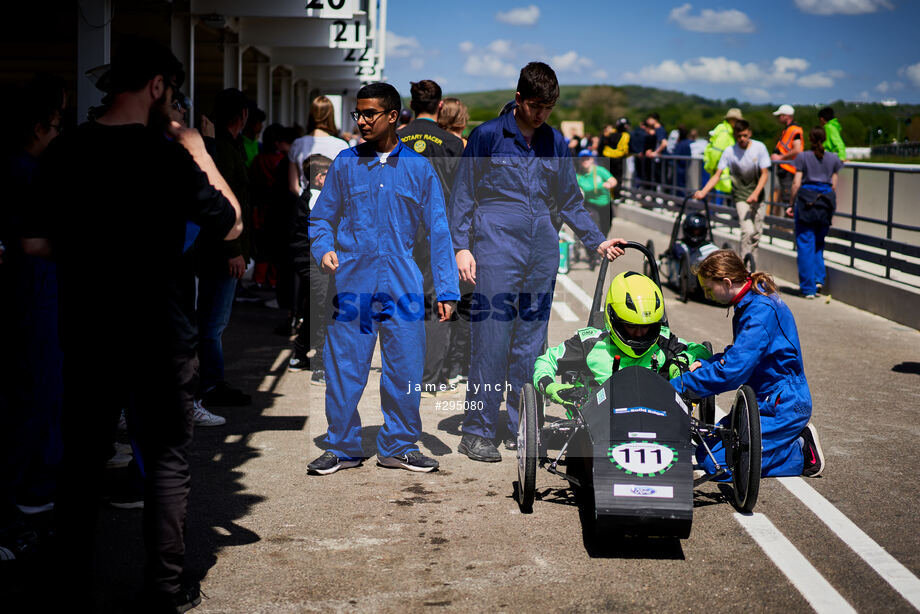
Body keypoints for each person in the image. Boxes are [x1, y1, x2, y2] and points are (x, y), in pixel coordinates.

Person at [22, 37, 242, 610]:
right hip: (161, 333)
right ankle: (165, 590)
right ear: (157, 86)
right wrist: (197, 148)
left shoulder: (65, 152)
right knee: (167, 459)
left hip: (91, 329)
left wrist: (89, 253)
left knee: (82, 457)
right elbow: (233, 224)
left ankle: (70, 583)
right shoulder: (168, 156)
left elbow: (35, 241)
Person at [450, 62, 625, 462]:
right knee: (491, 340)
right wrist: (461, 246)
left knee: (531, 345)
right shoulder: (487, 136)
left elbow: (569, 200)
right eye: (535, 106)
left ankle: (522, 426)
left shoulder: (555, 142)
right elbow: (462, 195)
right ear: (518, 99)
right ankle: (476, 430)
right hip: (495, 245)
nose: (541, 114)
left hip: (541, 249)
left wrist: (596, 240)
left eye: (548, 107)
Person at [306, 82, 459, 474]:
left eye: (369, 113)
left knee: (405, 368)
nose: (361, 121)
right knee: (344, 367)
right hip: (352, 283)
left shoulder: (419, 169)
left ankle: (400, 445)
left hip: (403, 283)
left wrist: (446, 288)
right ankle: (341, 446)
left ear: (393, 116)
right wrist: (323, 247)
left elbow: (440, 231)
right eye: (358, 113)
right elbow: (322, 216)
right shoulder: (344, 163)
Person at [670, 250, 825, 479]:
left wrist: (679, 385)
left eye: (709, 289)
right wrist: (707, 364)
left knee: (719, 467)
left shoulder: (759, 311)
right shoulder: (750, 302)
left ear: (726, 282)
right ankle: (780, 442)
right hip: (764, 398)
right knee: (705, 452)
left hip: (782, 404)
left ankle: (801, 451)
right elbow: (739, 355)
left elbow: (733, 371)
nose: (706, 295)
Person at [534, 271, 711, 409]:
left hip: (657, 416)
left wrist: (679, 362)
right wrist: (551, 387)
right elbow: (546, 361)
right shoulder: (589, 343)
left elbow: (701, 350)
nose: (640, 333)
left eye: (646, 327)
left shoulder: (663, 340)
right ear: (614, 319)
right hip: (598, 421)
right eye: (632, 327)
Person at [399, 80, 465, 397]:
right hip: (440, 229)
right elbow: (463, 194)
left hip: (401, 228)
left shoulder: (395, 138)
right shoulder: (452, 143)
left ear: (411, 106)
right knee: (439, 300)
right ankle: (431, 377)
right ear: (440, 106)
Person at [196, 88, 252, 409]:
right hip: (222, 249)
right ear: (242, 115)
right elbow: (220, 200)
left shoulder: (226, 147)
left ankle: (211, 382)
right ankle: (211, 385)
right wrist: (234, 249)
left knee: (212, 322)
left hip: (221, 247)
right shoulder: (221, 150)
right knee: (213, 323)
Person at [693, 120, 770, 265]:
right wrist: (703, 192)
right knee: (747, 231)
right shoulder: (730, 151)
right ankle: (744, 268)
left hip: (758, 196)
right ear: (735, 136)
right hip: (741, 196)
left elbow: (765, 174)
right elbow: (717, 175)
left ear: (750, 134)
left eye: (745, 136)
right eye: (739, 136)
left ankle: (752, 266)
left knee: (756, 234)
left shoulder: (759, 148)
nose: (742, 139)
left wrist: (755, 193)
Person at [289, 154, 333, 385]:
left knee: (314, 308)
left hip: (310, 261)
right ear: (318, 178)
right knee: (322, 309)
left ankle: (299, 355)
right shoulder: (314, 200)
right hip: (311, 262)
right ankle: (320, 365)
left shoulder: (315, 196)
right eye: (329, 174)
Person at [786, 126, 843, 298]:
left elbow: (796, 183)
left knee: (805, 245)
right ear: (825, 139)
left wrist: (790, 203)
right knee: (819, 244)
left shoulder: (803, 157)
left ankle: (808, 288)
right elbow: (833, 185)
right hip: (825, 202)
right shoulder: (833, 158)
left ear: (809, 139)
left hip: (806, 203)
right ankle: (819, 280)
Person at [288, 95, 349, 195]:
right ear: (331, 116)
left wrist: (307, 200)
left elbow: (293, 185)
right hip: (332, 204)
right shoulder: (342, 145)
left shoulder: (297, 144)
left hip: (306, 205)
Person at [575, 149, 617, 246]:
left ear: (592, 160)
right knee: (594, 228)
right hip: (590, 204)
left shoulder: (599, 171)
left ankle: (602, 246)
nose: (585, 161)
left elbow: (613, 180)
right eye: (582, 159)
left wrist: (609, 184)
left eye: (588, 158)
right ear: (579, 161)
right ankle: (593, 254)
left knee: (605, 228)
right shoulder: (578, 176)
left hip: (605, 204)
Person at [703, 108, 742, 203]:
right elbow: (717, 151)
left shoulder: (726, 130)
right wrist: (712, 167)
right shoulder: (725, 132)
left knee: (716, 193)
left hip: (720, 169)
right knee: (717, 193)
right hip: (719, 169)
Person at [771, 104, 804, 215]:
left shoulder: (794, 130)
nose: (778, 118)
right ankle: (785, 226)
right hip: (786, 169)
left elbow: (797, 149)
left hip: (789, 170)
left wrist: (781, 158)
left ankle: (789, 228)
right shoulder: (789, 129)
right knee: (785, 198)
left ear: (786, 116)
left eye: (780, 115)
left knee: (788, 199)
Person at [600, 118, 630, 200]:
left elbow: (601, 144)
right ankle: (615, 196)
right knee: (617, 178)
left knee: (607, 177)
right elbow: (624, 149)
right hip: (617, 159)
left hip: (606, 157)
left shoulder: (609, 133)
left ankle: (609, 195)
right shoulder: (625, 135)